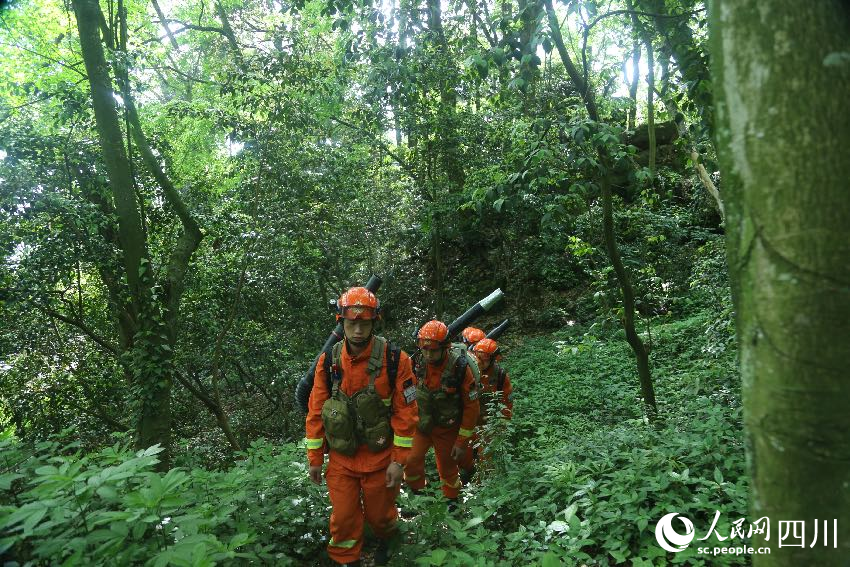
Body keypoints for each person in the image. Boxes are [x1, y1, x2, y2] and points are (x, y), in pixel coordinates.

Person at [305, 287, 418, 567]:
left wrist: (399, 462)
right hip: (342, 459)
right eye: (351, 323)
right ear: (341, 322)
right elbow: (316, 411)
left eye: (364, 324)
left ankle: (387, 540)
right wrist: (315, 458)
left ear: (373, 322)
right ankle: (346, 560)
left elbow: (406, 414)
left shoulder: (396, 360)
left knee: (381, 517)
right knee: (343, 519)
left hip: (380, 458)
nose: (357, 330)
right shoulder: (328, 361)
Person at [404, 320, 480, 511]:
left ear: (445, 347)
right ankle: (418, 493)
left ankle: (452, 501)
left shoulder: (459, 368)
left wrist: (461, 442)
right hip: (421, 425)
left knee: (447, 467)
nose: (429, 355)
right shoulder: (416, 362)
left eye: (433, 351)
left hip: (447, 428)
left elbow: (471, 407)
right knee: (410, 461)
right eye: (425, 350)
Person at [459, 338, 512, 482]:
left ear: (493, 359)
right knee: (463, 455)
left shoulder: (500, 376)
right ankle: (468, 474)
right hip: (467, 421)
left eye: (485, 359)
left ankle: (483, 483)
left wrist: (501, 426)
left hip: (488, 424)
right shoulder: (466, 371)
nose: (480, 362)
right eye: (478, 357)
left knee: (486, 458)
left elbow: (507, 404)